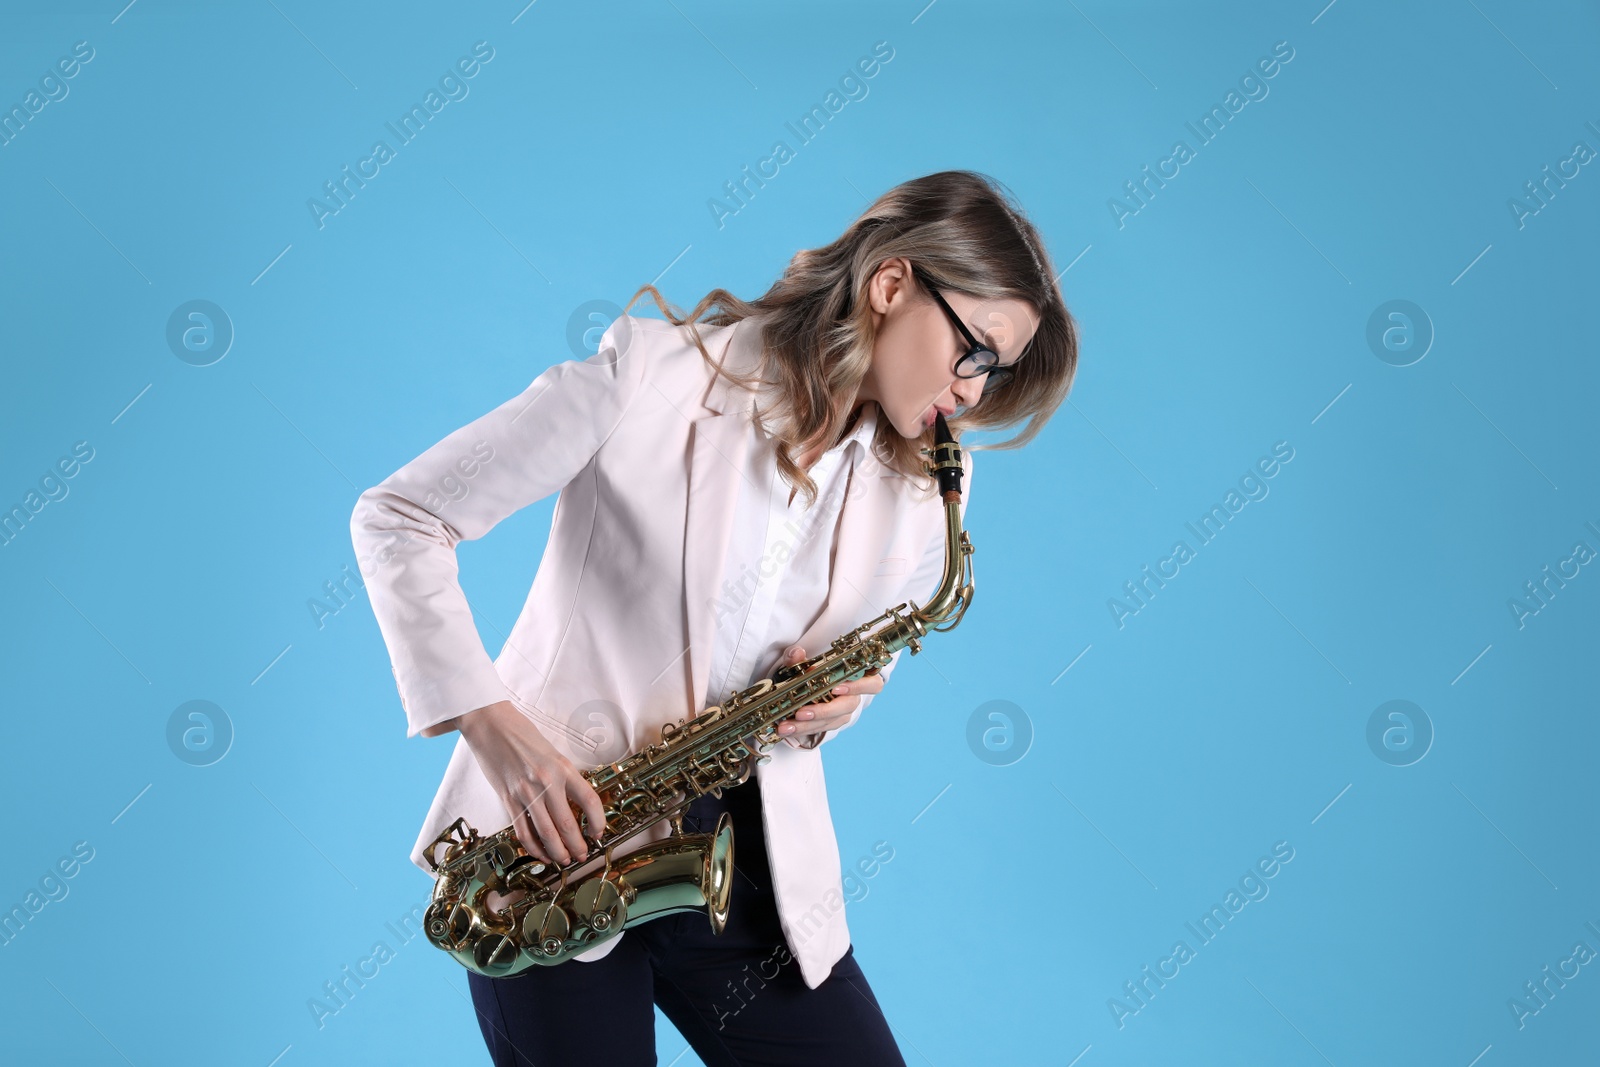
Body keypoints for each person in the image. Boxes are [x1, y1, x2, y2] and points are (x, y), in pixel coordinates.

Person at [350, 169, 1078, 1066]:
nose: (974, 390)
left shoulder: (926, 494)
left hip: (746, 868)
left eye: (994, 372)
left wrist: (844, 701)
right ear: (893, 285)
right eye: (977, 350)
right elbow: (399, 518)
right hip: (550, 854)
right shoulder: (649, 374)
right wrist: (499, 735)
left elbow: (859, 657)